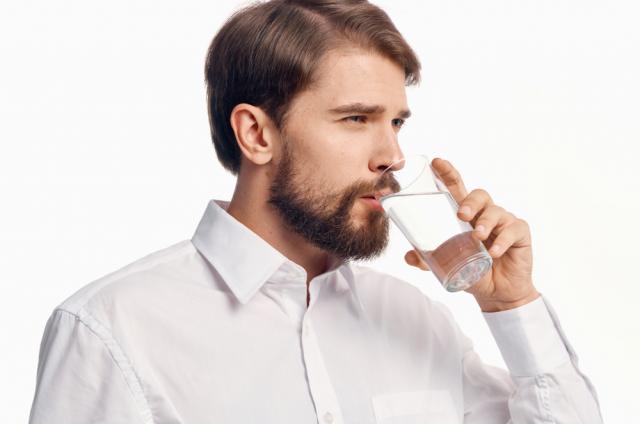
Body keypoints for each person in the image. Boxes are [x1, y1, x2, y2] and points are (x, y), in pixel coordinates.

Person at [28, 1, 603, 423]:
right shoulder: (113, 329)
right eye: (356, 119)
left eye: (397, 122)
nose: (393, 155)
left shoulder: (415, 319)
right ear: (256, 134)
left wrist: (510, 306)